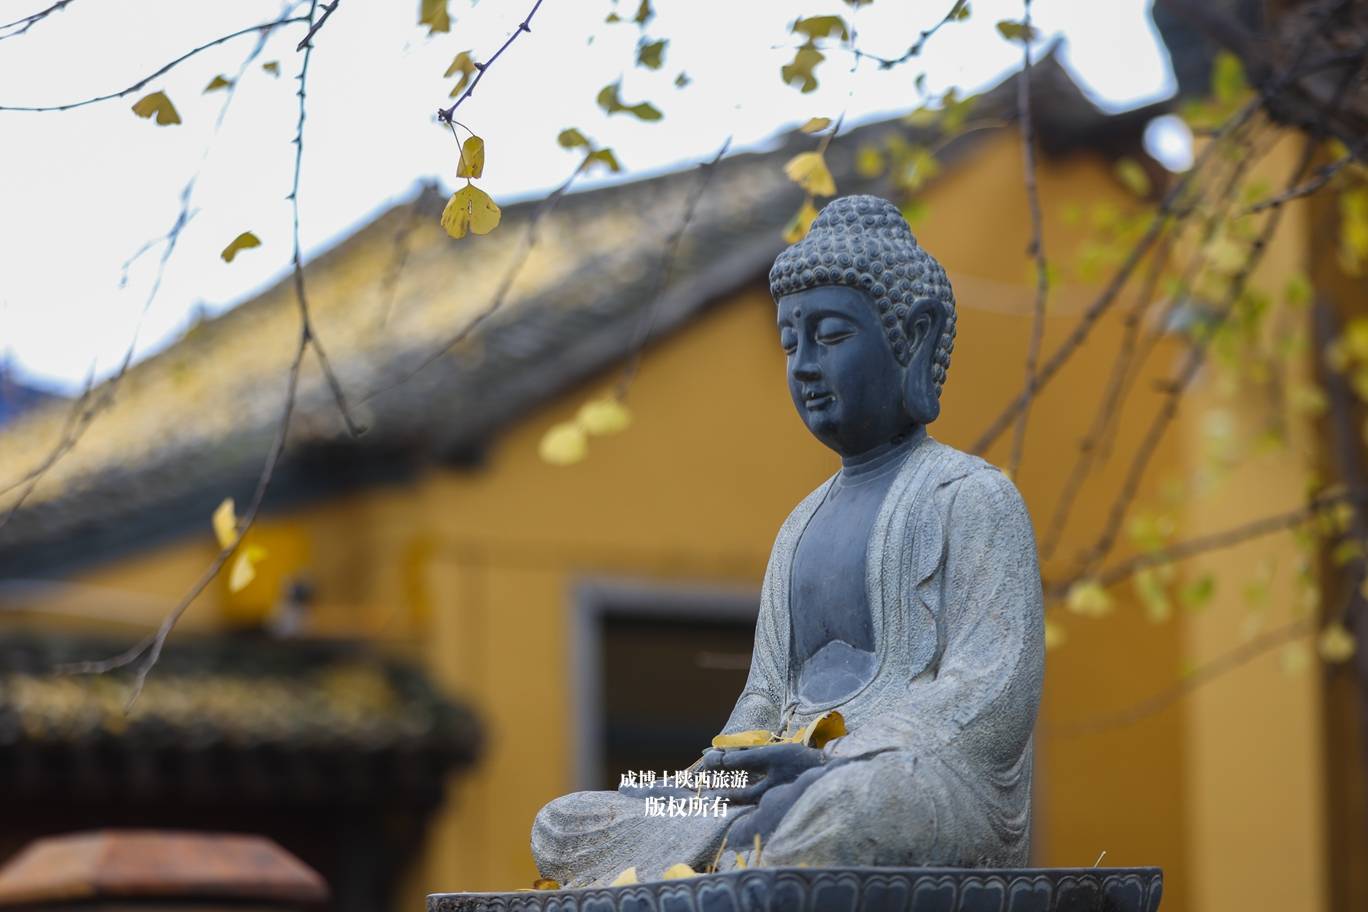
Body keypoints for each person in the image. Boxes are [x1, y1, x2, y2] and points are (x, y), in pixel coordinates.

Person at [531, 195, 1044, 887]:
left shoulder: (972, 497)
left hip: (909, 779)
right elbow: (762, 703)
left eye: (830, 336)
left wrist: (832, 764)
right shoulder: (800, 524)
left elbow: (993, 697)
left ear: (914, 338)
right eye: (789, 343)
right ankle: (743, 842)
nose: (803, 366)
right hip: (769, 785)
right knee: (568, 821)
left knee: (846, 808)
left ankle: (751, 844)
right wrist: (714, 776)